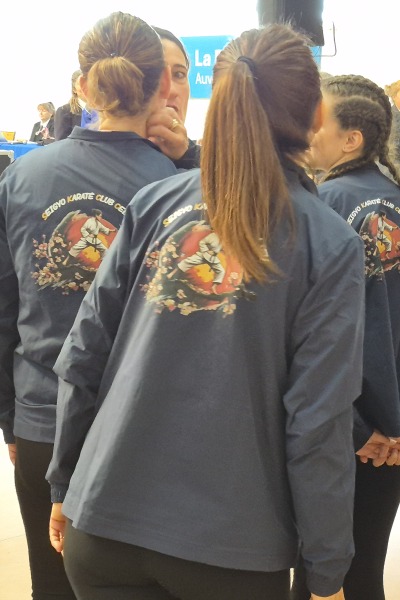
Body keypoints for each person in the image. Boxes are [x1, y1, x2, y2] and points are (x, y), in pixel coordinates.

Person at [45, 24, 361, 600]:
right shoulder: (328, 242)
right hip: (229, 552)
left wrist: (66, 482)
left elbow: (82, 355)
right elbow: (317, 422)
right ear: (317, 114)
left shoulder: (155, 204)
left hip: (103, 525)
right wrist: (327, 570)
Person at [0, 11, 178, 600]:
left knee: (51, 584)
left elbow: (3, 313)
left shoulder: (22, 178)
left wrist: (11, 418)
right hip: (145, 428)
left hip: (42, 417)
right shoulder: (179, 184)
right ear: (161, 85)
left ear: (82, 86)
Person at [292, 74, 400, 600]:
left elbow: (302, 339)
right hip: (398, 433)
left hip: (333, 429)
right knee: (366, 568)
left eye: (317, 121)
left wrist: (359, 429)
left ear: (352, 138)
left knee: (312, 568)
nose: (306, 131)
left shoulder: (318, 206)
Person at [148, 26, 200, 169]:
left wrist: (187, 155)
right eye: (157, 75)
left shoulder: (211, 163)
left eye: (179, 74)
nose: (170, 90)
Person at [54, 71, 84, 141]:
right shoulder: (64, 111)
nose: (86, 86)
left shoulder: (102, 111)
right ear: (74, 89)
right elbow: (61, 142)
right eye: (81, 83)